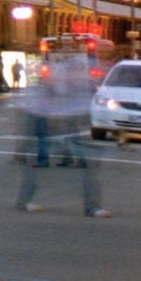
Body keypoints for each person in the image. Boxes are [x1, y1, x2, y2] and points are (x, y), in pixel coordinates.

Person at [17, 51, 108, 217]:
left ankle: (92, 206)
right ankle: (25, 200)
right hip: (53, 123)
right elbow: (43, 104)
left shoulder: (78, 83)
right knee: (35, 162)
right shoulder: (57, 81)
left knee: (89, 164)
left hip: (67, 126)